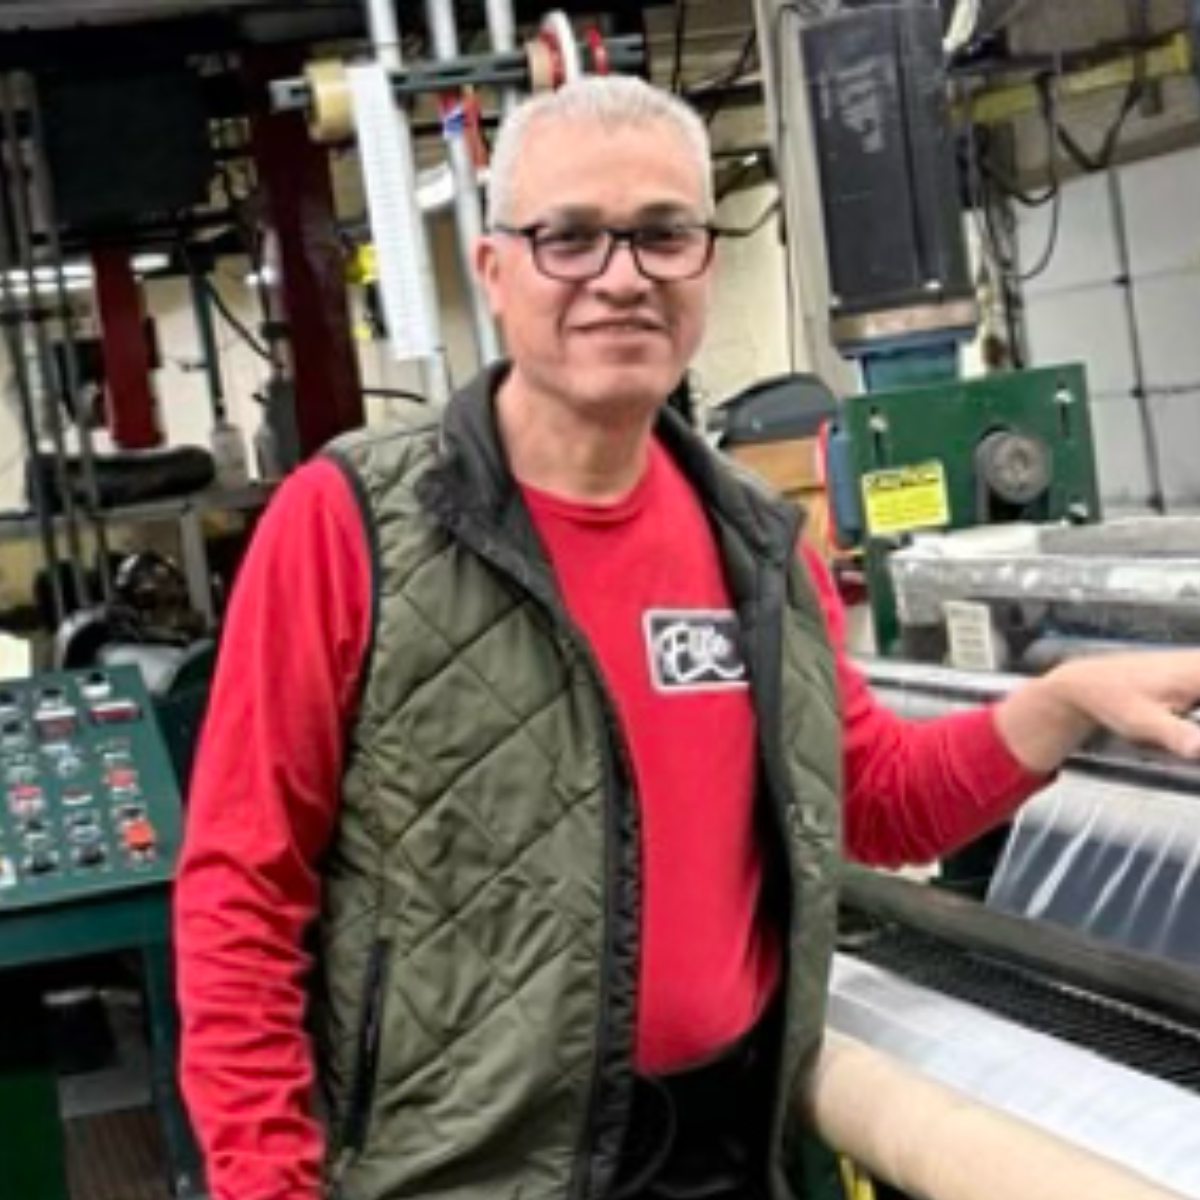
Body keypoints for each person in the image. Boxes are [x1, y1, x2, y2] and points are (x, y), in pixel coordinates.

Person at [175, 75, 1200, 1200]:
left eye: (663, 234)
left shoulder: (757, 542)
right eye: (570, 237)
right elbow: (242, 896)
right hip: (463, 1174)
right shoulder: (352, 525)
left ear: (705, 261)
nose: (622, 277)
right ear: (495, 270)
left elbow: (869, 798)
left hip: (722, 1152)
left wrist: (1060, 701)